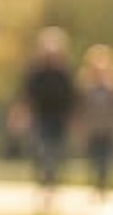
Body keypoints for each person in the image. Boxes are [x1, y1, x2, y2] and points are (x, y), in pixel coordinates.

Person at [19, 27, 76, 203]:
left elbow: (72, 97)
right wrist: (22, 114)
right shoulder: (36, 72)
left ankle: (52, 181)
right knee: (41, 150)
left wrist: (74, 118)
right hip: (41, 117)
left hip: (59, 119)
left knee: (56, 151)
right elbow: (26, 95)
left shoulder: (64, 73)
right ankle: (43, 180)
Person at [76, 45, 113, 199]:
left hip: (109, 129)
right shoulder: (86, 89)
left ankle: (103, 185)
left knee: (106, 159)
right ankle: (96, 184)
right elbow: (81, 109)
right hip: (93, 129)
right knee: (94, 159)